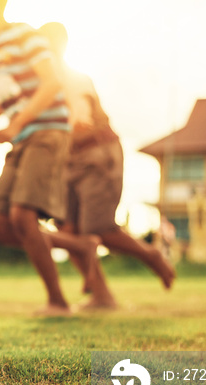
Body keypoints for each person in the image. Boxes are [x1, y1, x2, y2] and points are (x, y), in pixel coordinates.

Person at [0, 0, 103, 316]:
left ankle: (58, 302)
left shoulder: (24, 35)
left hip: (47, 132)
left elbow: (52, 83)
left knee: (22, 216)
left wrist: (18, 123)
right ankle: (80, 246)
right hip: (21, 138)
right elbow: (9, 100)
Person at [39, 22, 175, 308]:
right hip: (68, 161)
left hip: (98, 155)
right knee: (67, 231)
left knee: (99, 229)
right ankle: (102, 296)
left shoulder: (73, 79)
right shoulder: (43, 81)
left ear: (59, 45)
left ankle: (152, 256)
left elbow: (79, 121)